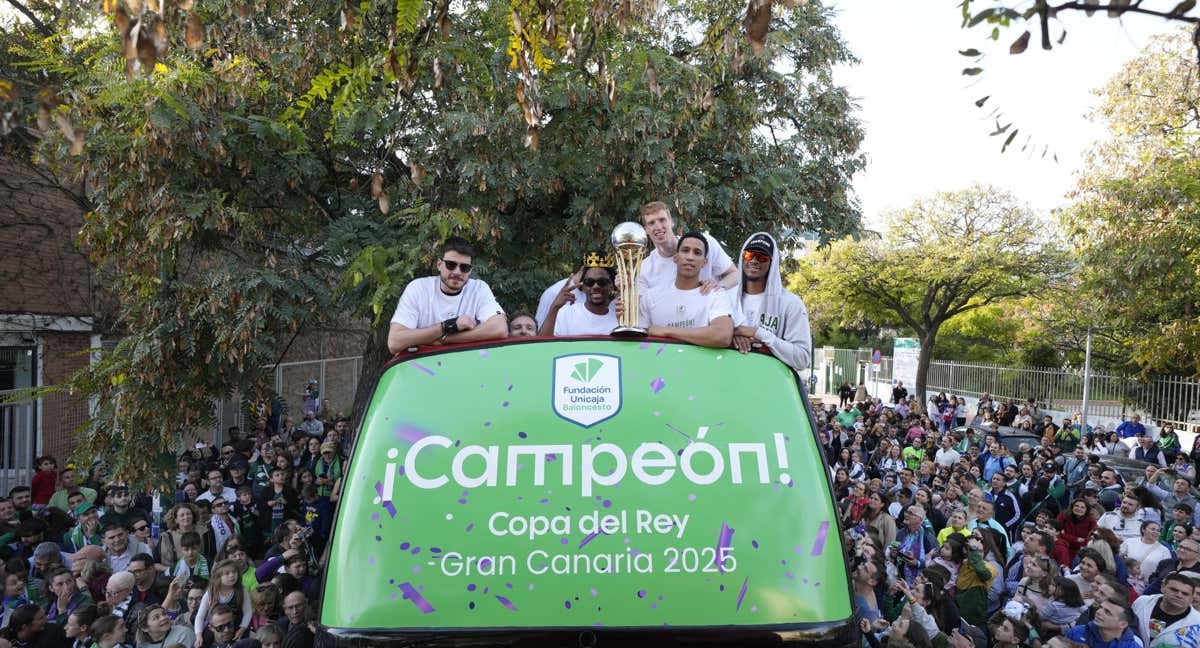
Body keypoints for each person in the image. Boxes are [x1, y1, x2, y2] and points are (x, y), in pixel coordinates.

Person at [386, 236, 507, 353]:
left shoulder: (479, 288)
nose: (457, 272)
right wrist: (447, 326)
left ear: (470, 270)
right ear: (439, 264)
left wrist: (445, 339)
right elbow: (395, 342)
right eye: (451, 264)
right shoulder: (418, 288)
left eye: (464, 267)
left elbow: (499, 328)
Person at [625, 232, 733, 348]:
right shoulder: (651, 297)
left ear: (704, 262)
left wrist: (666, 331)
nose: (690, 257)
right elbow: (636, 339)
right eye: (685, 250)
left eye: (697, 253)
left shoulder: (715, 294)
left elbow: (722, 336)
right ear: (675, 258)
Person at [729, 232, 812, 371]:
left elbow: (802, 359)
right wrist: (731, 336)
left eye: (762, 257)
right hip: (730, 378)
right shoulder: (726, 298)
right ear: (742, 258)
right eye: (749, 255)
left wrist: (759, 333)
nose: (754, 261)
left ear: (772, 263)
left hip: (770, 384)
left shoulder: (790, 303)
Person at [636, 201, 737, 295]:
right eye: (651, 223)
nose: (658, 227)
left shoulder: (705, 243)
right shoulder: (645, 269)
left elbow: (735, 274)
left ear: (671, 222)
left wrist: (719, 286)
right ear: (646, 230)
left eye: (662, 220)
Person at [540, 254, 618, 336]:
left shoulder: (618, 321)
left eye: (602, 282)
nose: (595, 286)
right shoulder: (565, 314)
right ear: (583, 286)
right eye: (589, 282)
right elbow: (542, 346)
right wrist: (554, 307)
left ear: (611, 286)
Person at [1131, 572, 1200, 646]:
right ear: (1163, 587)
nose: (1179, 595)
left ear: (1192, 597)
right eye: (1174, 590)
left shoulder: (1197, 621)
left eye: (1185, 594)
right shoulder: (1142, 602)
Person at [1063, 596, 1142, 648]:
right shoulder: (1076, 632)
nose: (1098, 612)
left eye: (1107, 612)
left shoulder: (1133, 647)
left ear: (1123, 624)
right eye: (1100, 607)